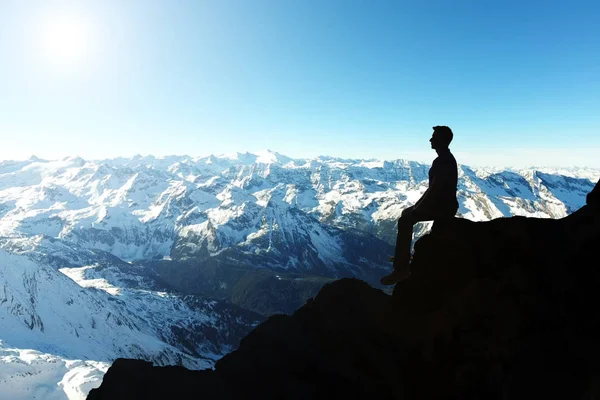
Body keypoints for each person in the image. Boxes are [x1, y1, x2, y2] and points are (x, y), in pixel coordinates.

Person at [380, 126, 459, 285]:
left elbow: (435, 190)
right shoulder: (445, 158)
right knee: (406, 214)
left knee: (406, 220)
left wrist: (418, 208)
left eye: (434, 137)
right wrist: (418, 207)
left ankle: (400, 269)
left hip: (442, 207)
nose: (430, 140)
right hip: (443, 205)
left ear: (442, 140)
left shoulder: (443, 161)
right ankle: (402, 258)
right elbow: (435, 189)